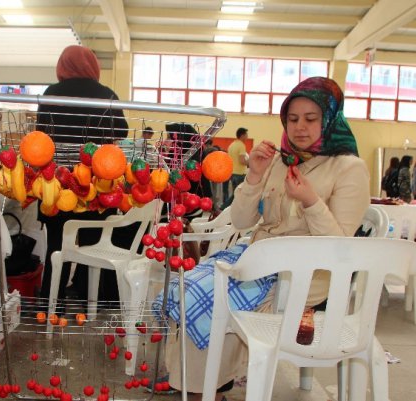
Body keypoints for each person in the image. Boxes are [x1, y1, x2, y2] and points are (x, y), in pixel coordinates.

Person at [153, 77, 369, 398]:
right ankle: (202, 381)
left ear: (330, 120)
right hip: (258, 262)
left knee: (216, 294)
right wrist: (254, 176)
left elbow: (339, 249)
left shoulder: (349, 168)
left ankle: (205, 385)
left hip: (303, 284)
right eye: (292, 119)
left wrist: (311, 202)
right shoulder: (281, 160)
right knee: (190, 286)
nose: (300, 128)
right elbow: (241, 220)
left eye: (311, 119)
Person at [34, 45, 131, 306]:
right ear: (93, 66)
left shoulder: (51, 94)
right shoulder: (106, 94)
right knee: (93, 244)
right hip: (96, 182)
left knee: (57, 245)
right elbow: (121, 132)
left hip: (57, 181)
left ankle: (52, 301)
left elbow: (40, 133)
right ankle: (93, 300)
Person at [222, 127, 249, 207]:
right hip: (239, 173)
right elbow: (242, 161)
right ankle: (223, 207)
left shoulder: (232, 145)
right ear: (242, 135)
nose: (247, 136)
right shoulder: (241, 145)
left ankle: (227, 208)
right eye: (246, 134)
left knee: (235, 193)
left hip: (232, 172)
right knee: (237, 194)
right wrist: (251, 162)